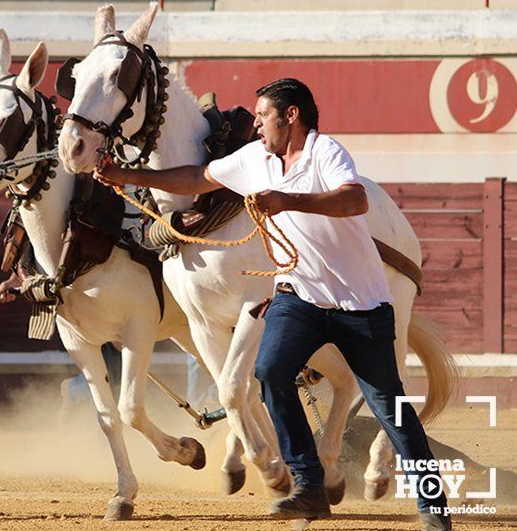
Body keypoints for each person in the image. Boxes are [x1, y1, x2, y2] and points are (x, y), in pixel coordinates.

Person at [93, 78, 451, 530]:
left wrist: (287, 199)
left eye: (263, 116)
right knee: (268, 373)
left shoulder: (326, 152)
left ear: (292, 116)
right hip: (297, 297)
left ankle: (432, 503)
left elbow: (355, 198)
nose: (256, 123)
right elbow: (197, 178)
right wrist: (128, 176)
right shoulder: (253, 158)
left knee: (389, 404)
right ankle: (308, 484)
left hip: (358, 302)